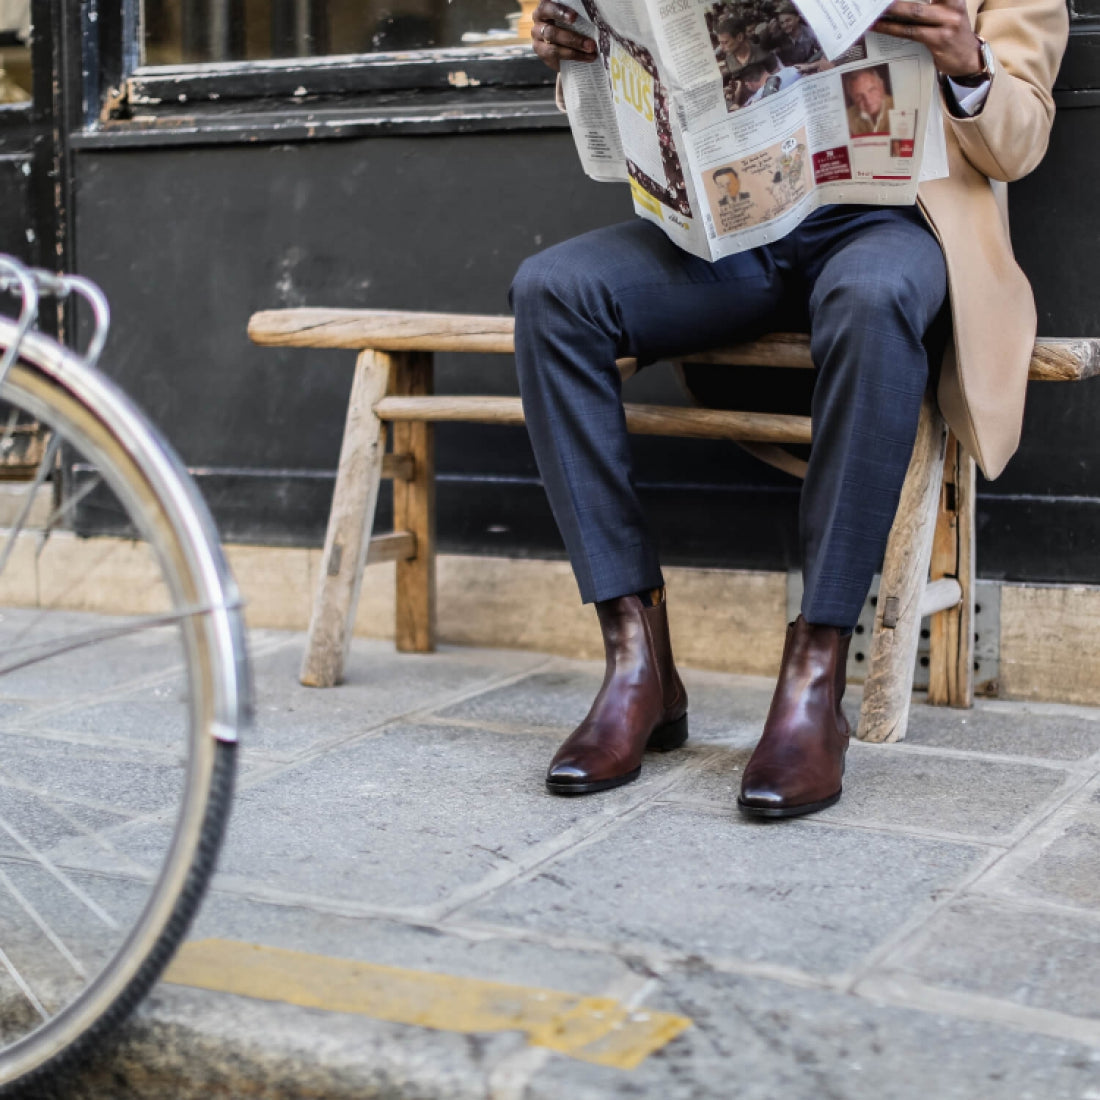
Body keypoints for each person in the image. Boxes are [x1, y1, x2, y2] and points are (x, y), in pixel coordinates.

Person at [521, 0, 1067, 816]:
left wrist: (969, 61)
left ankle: (816, 680)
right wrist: (580, 54)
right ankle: (638, 664)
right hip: (739, 224)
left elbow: (1022, 141)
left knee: (872, 298)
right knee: (554, 293)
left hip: (894, 223)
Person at [845, 67, 894, 135]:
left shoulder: (898, 105)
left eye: (871, 90)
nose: (868, 100)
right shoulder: (848, 117)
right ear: (852, 97)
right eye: (859, 95)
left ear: (881, 86)